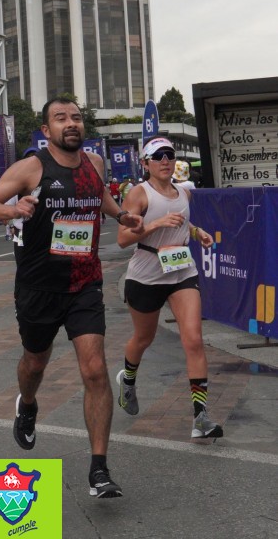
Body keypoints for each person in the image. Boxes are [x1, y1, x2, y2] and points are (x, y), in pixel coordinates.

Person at [0, 97, 143, 499]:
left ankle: (99, 468)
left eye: (76, 117)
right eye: (61, 118)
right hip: (38, 287)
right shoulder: (32, 167)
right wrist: (13, 211)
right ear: (46, 130)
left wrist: (121, 215)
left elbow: (98, 195)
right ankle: (28, 404)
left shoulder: (94, 164)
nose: (71, 123)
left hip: (84, 283)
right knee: (35, 362)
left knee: (95, 370)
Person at [115, 137, 221, 439]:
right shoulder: (139, 193)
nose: (165, 160)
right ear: (145, 163)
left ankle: (200, 417)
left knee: (194, 339)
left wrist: (197, 232)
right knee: (143, 338)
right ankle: (128, 380)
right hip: (147, 274)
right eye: (158, 156)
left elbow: (182, 222)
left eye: (169, 155)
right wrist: (155, 224)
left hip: (181, 270)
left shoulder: (183, 192)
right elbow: (123, 239)